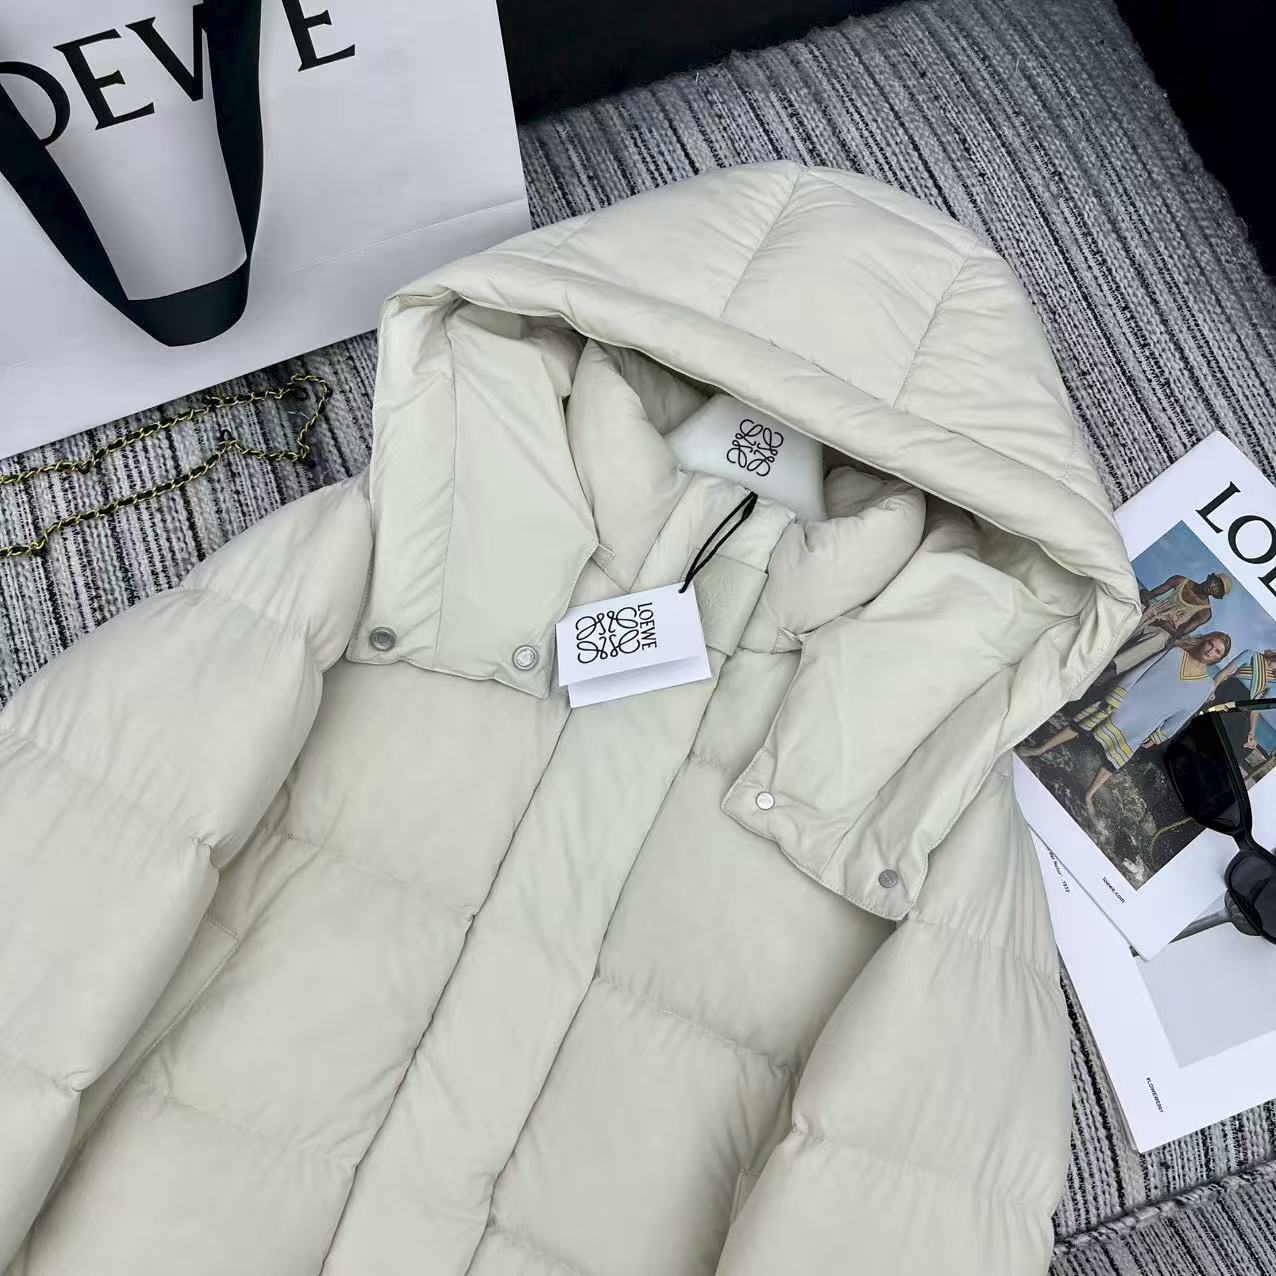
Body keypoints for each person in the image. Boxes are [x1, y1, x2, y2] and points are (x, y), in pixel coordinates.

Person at [1021, 631, 1233, 812]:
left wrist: (1161, 735)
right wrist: (1118, 693)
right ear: (1204, 641)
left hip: (1145, 723)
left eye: (1217, 652)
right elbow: (1140, 671)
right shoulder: (1176, 654)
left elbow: (1184, 714)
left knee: (1113, 760)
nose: (1211, 651)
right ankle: (1039, 749)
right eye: (1211, 644)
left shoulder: (1206, 687)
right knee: (1080, 726)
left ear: (1219, 658)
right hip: (1123, 703)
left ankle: (1089, 794)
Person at [1107, 571, 1231, 676]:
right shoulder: (1180, 581)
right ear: (1210, 578)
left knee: (1160, 638)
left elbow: (1179, 634)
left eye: (1218, 590)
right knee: (1133, 609)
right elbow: (1151, 595)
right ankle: (1104, 647)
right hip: (1149, 613)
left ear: (1217, 595)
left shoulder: (1205, 612)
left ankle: (1113, 669)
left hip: (1164, 630)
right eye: (1216, 583)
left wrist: (1165, 625)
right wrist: (1144, 596)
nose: (1214, 588)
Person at [1210, 647, 1276, 756]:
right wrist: (1212, 689)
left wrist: (1252, 732)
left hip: (1242, 707)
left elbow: (1256, 709)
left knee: (1244, 745)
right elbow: (1224, 672)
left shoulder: (1274, 684)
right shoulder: (1252, 655)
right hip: (1225, 692)